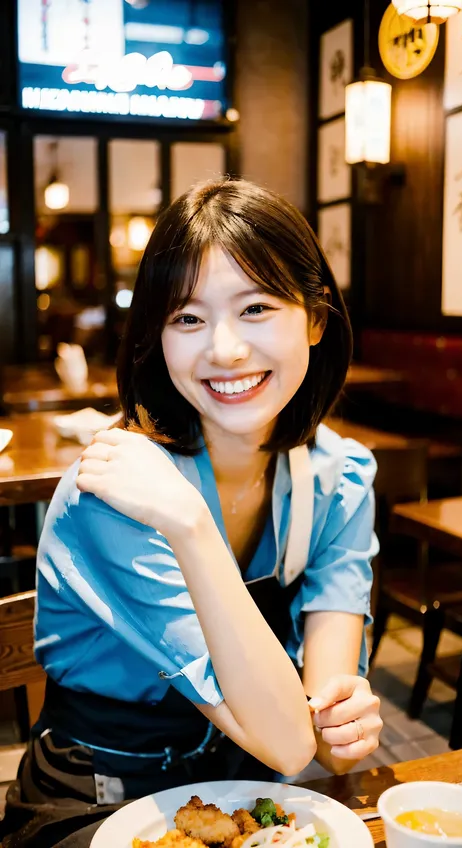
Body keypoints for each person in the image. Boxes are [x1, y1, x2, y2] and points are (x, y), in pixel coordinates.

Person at [0, 179, 382, 848]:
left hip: (247, 789)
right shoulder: (116, 493)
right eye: (187, 318)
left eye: (257, 307)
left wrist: (346, 723)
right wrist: (191, 523)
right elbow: (291, 743)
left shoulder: (338, 477)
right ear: (157, 336)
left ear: (317, 318)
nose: (225, 349)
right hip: (97, 794)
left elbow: (324, 740)